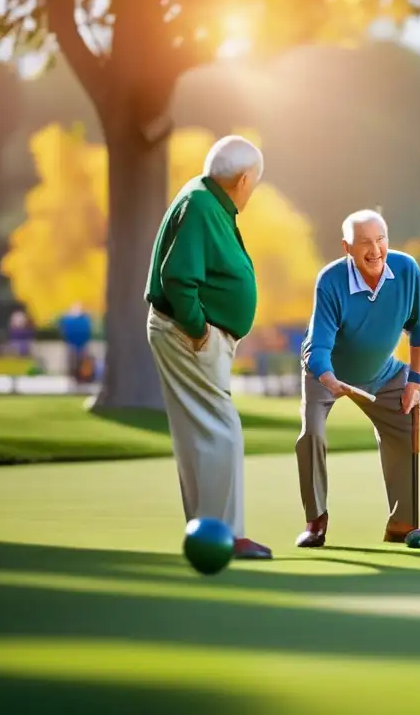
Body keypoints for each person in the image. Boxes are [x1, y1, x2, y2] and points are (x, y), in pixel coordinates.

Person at [145, 135, 272, 559]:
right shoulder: (201, 204)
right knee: (222, 431)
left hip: (193, 334)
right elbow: (178, 277)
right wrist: (199, 330)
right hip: (189, 334)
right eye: (253, 181)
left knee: (205, 434)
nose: (252, 189)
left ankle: (207, 530)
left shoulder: (207, 200)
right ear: (242, 178)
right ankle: (224, 535)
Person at [296, 209, 420, 547]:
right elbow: (319, 347)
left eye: (380, 239)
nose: (374, 250)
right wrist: (330, 381)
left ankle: (402, 522)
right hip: (326, 374)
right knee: (311, 434)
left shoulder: (406, 269)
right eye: (364, 243)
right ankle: (316, 521)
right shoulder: (330, 280)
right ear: (347, 247)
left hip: (381, 373)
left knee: (407, 420)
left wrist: (414, 383)